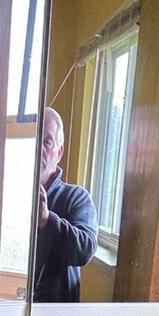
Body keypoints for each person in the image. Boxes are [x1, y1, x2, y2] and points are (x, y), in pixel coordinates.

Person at [32, 107, 98, 303]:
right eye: (33, 138)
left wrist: (46, 219)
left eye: (47, 141)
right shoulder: (4, 193)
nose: (38, 148)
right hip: (7, 313)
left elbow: (85, 250)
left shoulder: (77, 198)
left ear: (59, 153)